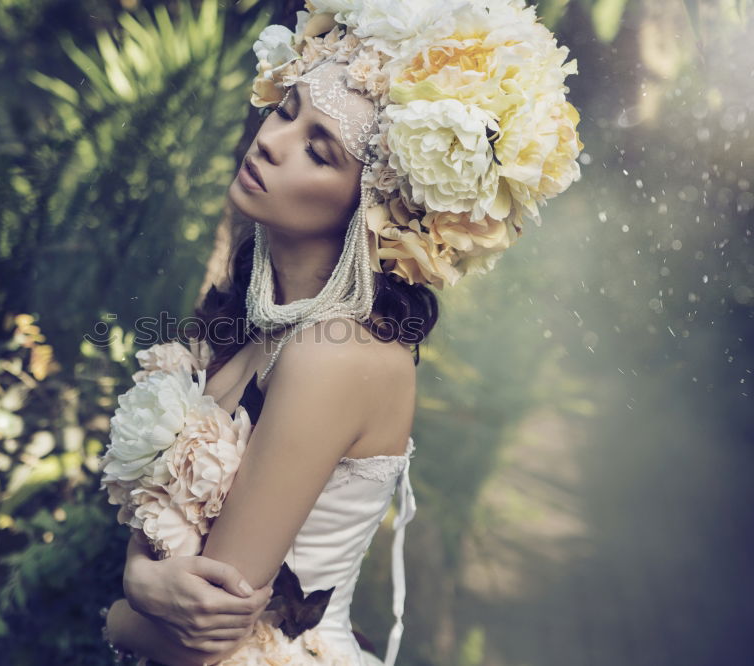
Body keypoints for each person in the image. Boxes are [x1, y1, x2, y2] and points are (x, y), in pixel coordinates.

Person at [102, 1, 582, 663]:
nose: (271, 139)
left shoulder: (338, 355)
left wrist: (120, 612)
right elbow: (172, 555)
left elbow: (203, 648)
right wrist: (143, 579)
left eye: (319, 151)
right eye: (287, 109)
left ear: (371, 206)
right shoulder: (261, 315)